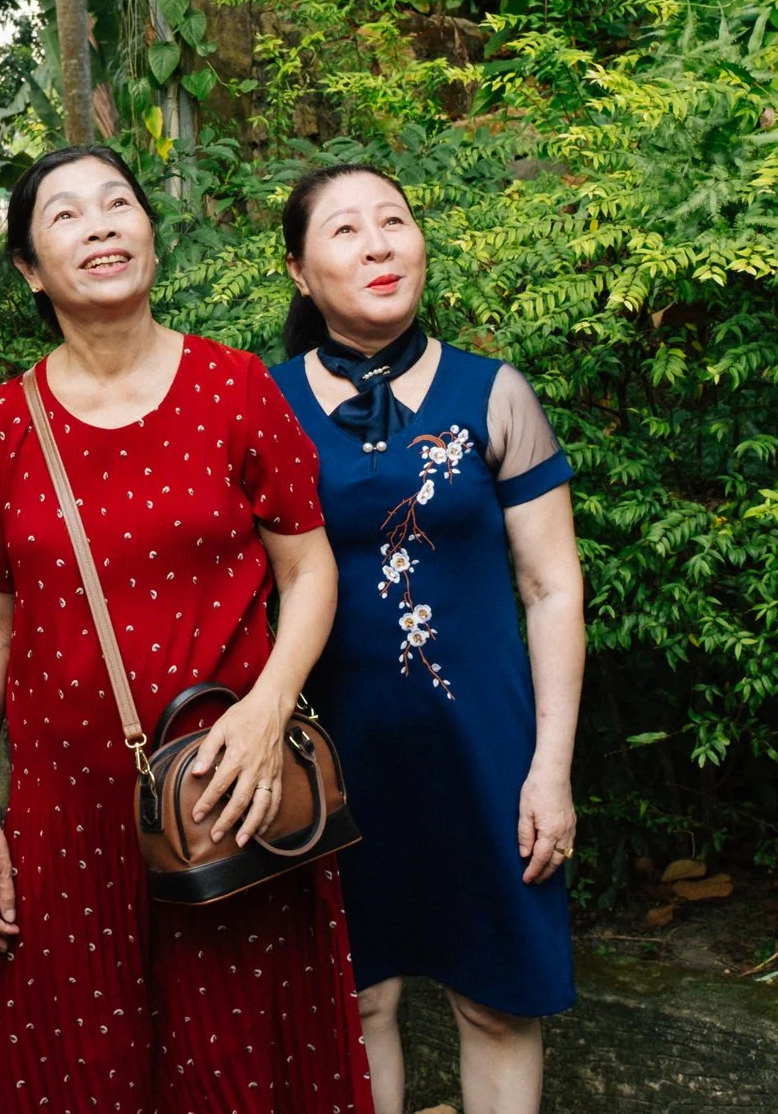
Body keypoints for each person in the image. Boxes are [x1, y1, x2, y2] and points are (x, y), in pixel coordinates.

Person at [0, 143, 373, 1114]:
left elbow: (308, 569)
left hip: (223, 796)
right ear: (27, 266)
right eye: (65, 213)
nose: (99, 223)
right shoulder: (6, 421)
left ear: (147, 228)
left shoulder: (233, 388)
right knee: (84, 1073)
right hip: (63, 817)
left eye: (117, 202)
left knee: (236, 1066)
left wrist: (267, 712)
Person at [267, 165, 585, 1114]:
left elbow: (553, 585)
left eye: (393, 221)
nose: (378, 245)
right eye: (346, 231)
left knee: (495, 1005)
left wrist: (552, 766)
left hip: (485, 753)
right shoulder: (261, 405)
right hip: (330, 760)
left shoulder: (495, 394)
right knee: (357, 1002)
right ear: (299, 272)